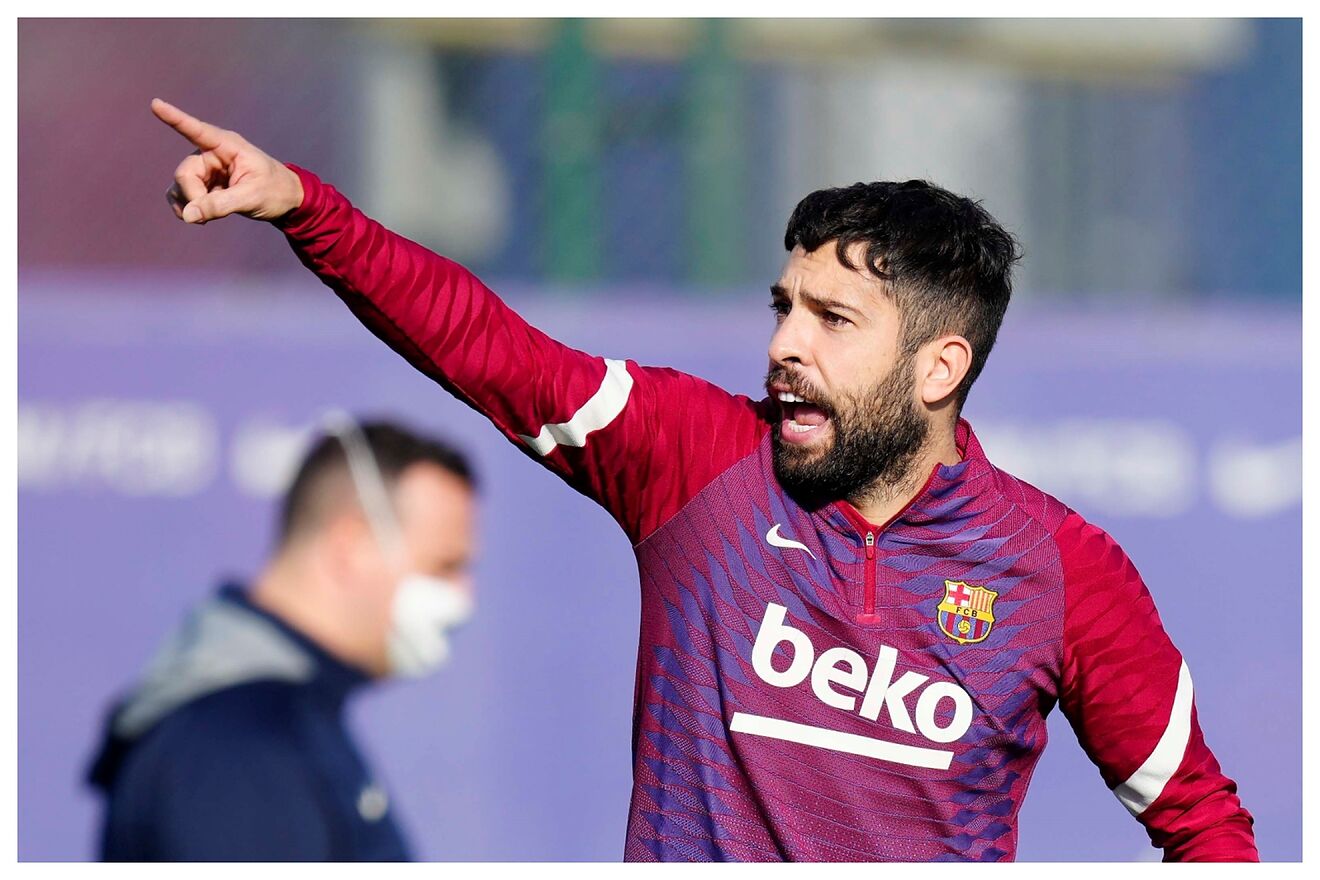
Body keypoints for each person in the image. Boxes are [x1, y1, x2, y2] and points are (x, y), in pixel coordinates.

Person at [147, 98, 1257, 862]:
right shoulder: (697, 456)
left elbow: (1204, 823)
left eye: (832, 319)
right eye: (783, 305)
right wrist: (303, 205)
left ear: (940, 367)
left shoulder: (1061, 571)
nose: (786, 342)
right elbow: (490, 351)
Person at [88, 416, 478, 861]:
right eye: (445, 566)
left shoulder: (279, 718)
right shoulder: (237, 747)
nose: (464, 596)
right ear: (352, 545)